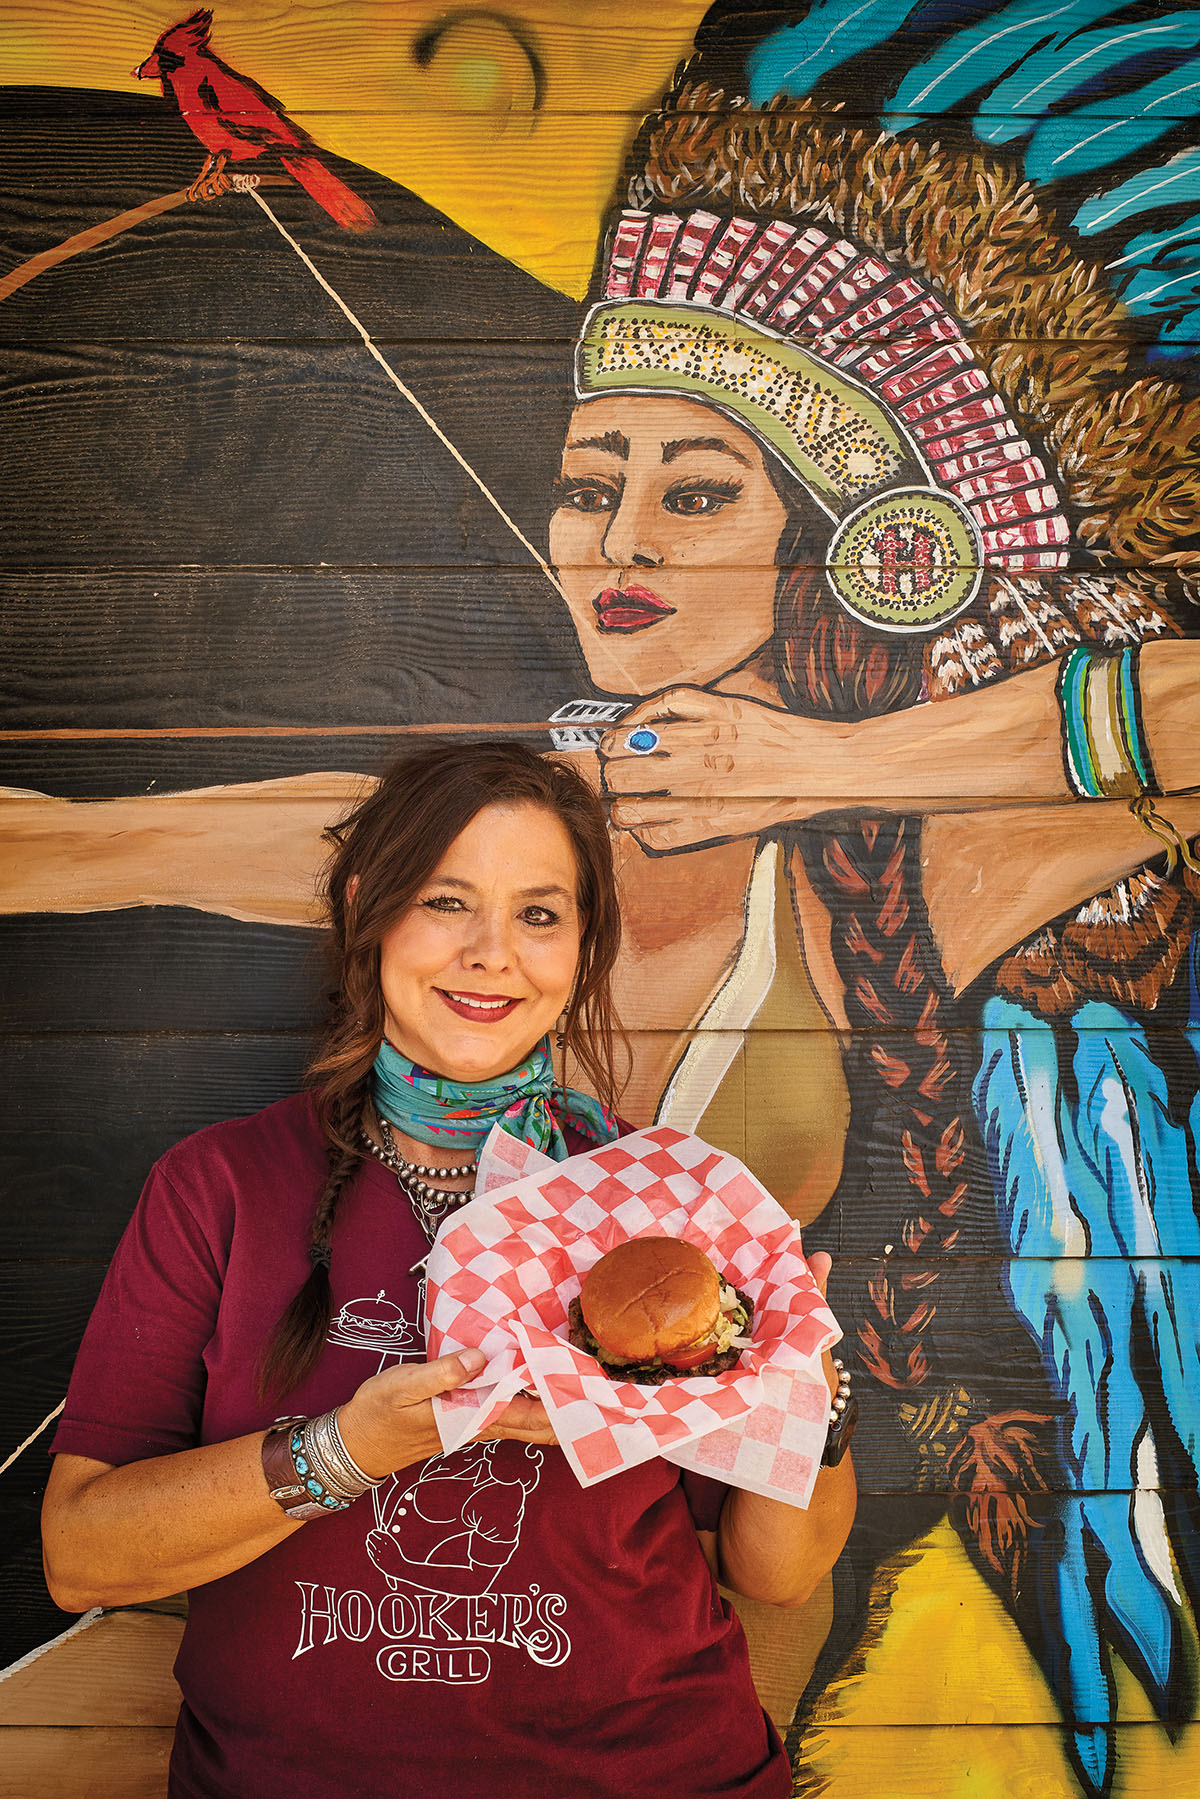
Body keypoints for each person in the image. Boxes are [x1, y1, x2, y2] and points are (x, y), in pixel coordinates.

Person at [40, 737, 857, 1799]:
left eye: (538, 913)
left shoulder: (672, 1208)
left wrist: (810, 1390)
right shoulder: (222, 1186)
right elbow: (82, 1554)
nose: (491, 952)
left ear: (582, 950)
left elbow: (779, 1574)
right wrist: (350, 1447)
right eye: (445, 901)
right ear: (366, 909)